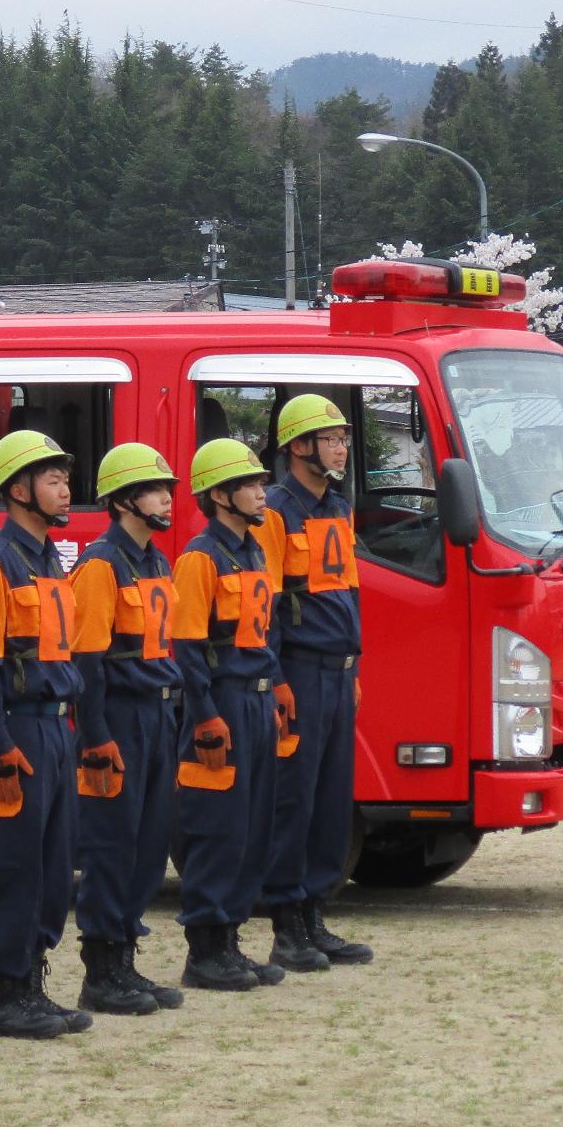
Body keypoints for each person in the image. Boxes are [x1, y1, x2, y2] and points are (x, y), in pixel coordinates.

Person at [0, 429, 90, 1040]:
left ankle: (32, 981)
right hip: (15, 729)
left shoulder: (47, 559)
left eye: (65, 478)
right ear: (18, 489)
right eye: (53, 478)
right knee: (14, 867)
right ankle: (6, 994)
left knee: (53, 868)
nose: (65, 488)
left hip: (54, 728)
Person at [69, 443, 186, 1016]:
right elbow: (86, 659)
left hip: (158, 714)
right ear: (122, 501)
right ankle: (101, 970)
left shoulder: (157, 561)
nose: (167, 496)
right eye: (154, 488)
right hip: (118, 714)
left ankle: (126, 960)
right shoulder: (100, 564)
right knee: (112, 844)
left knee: (148, 843)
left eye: (168, 487)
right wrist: (95, 736)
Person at [262, 396, 375, 969]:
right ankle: (287, 925)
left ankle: (315, 915)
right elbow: (269, 604)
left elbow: (347, 588)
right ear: (299, 446)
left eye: (342, 437)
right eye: (329, 438)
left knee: (332, 800)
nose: (340, 446)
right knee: (294, 798)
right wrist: (276, 678)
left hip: (337, 671)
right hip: (299, 672)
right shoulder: (276, 512)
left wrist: (355, 662)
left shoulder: (337, 506)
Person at [171, 439, 288, 991]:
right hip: (224, 703)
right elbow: (188, 646)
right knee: (217, 827)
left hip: (258, 699)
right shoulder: (201, 556)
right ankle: (205, 949)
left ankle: (231, 941)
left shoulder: (253, 550)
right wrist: (204, 717)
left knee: (251, 827)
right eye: (250, 484)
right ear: (220, 495)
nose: (261, 492)